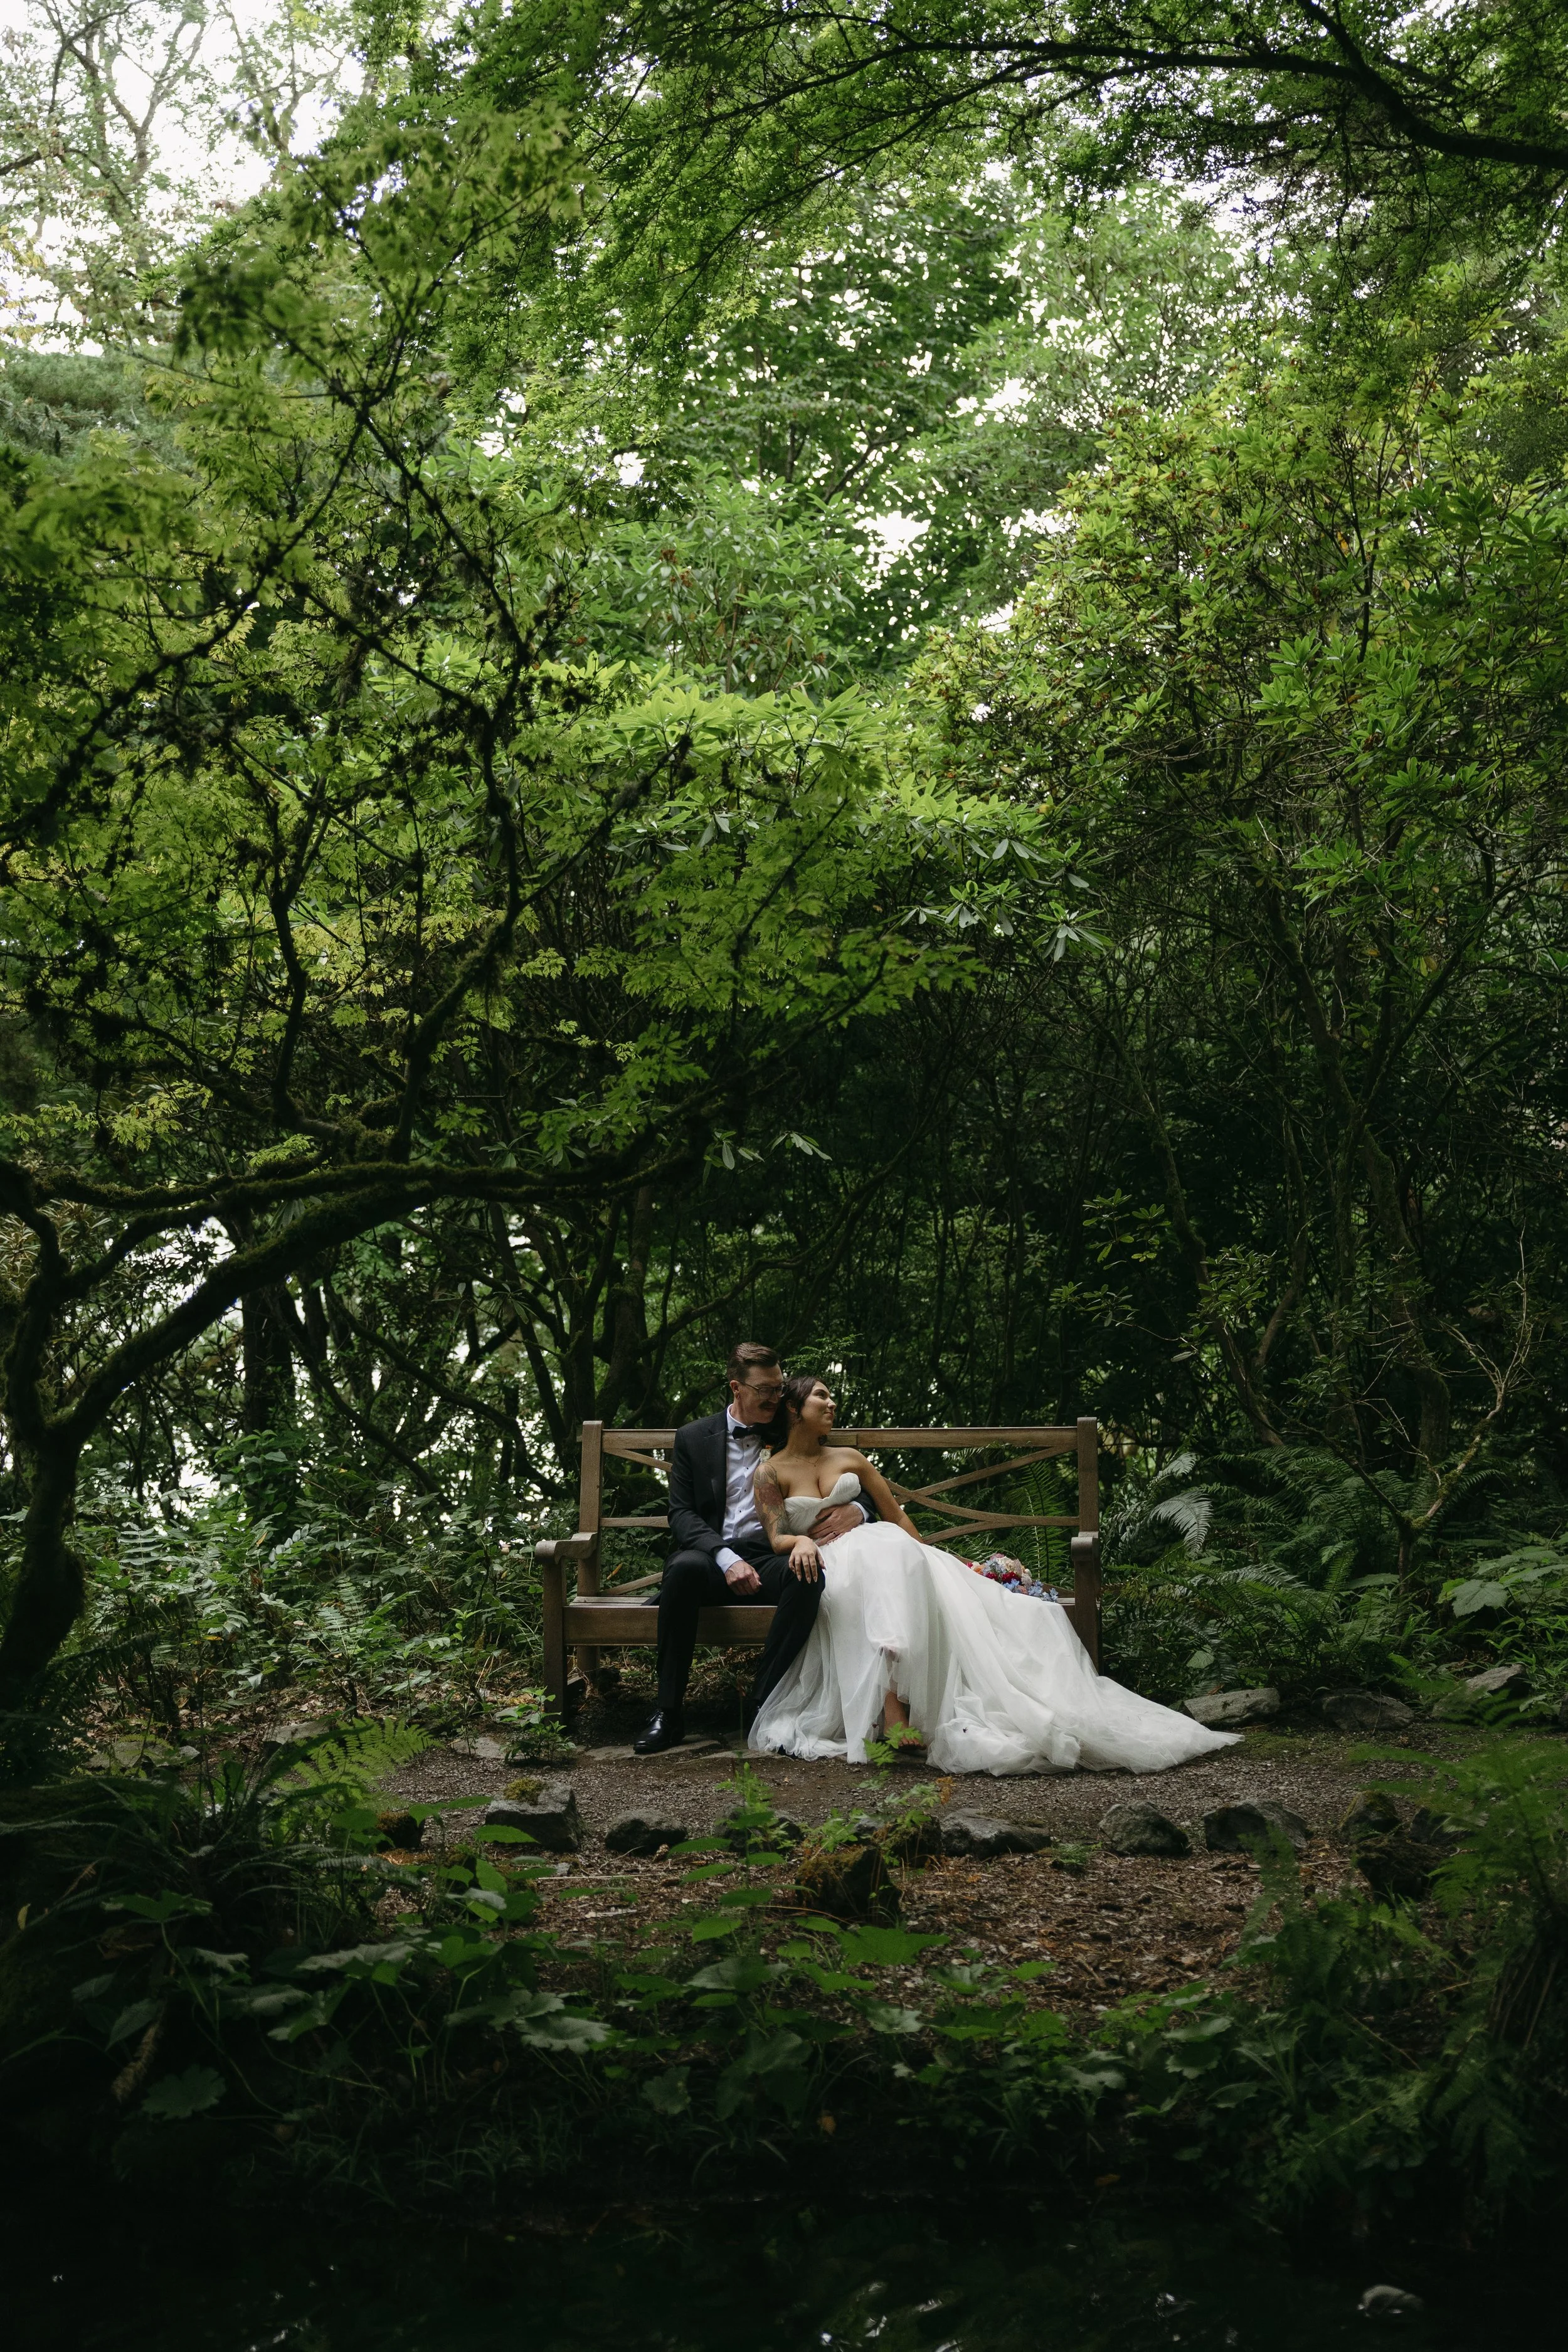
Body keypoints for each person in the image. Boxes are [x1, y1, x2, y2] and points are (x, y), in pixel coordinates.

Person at [749, 1372, 1242, 1776]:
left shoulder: (851, 1458)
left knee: (896, 1557)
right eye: (822, 1396)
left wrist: (932, 1559)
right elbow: (776, 1539)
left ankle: (897, 1708)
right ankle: (894, 1713)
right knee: (870, 1574)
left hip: (887, 1549)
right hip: (826, 1561)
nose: (832, 1404)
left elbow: (896, 1518)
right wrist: (805, 1538)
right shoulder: (770, 1473)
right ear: (794, 1408)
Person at [632, 1343, 876, 1756]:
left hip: (772, 1554)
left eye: (779, 1388)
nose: (775, 1398)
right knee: (683, 1569)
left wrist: (858, 1510)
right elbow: (682, 1516)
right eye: (764, 1389)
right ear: (736, 1388)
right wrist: (726, 1559)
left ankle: (763, 1705)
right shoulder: (694, 1437)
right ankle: (668, 1713)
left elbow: (846, 1474)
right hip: (712, 1558)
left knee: (810, 1574)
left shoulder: (788, 1429)